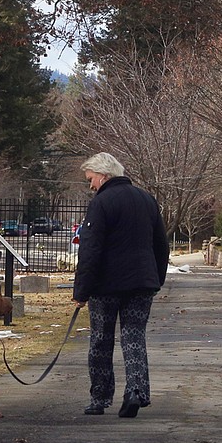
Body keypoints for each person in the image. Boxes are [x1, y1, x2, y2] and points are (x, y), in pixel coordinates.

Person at [72, 152, 169, 418]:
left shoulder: (101, 203)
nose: (91, 185)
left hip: (106, 286)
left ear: (103, 176)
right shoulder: (147, 200)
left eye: (91, 179)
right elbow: (161, 244)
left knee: (101, 340)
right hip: (141, 284)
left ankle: (100, 398)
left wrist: (81, 291)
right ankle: (136, 390)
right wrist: (156, 278)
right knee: (134, 336)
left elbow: (90, 250)